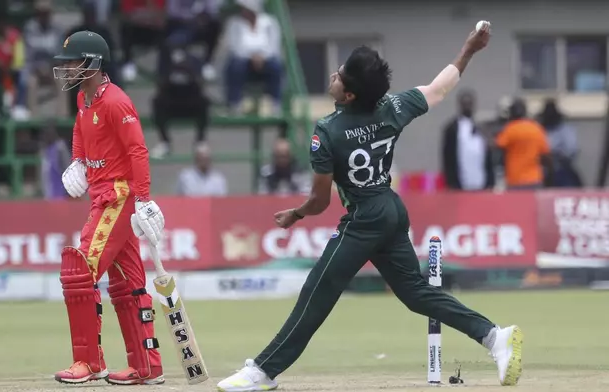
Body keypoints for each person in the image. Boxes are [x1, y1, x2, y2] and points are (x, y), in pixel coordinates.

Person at [217, 23, 524, 392]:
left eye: (339, 76)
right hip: (391, 209)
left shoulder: (327, 131)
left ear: (347, 95)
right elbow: (441, 87)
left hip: (365, 215)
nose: (333, 75)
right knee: (415, 293)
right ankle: (494, 337)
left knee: (319, 288)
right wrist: (469, 49)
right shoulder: (392, 107)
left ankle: (261, 373)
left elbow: (319, 201)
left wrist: (296, 213)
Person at [51, 30, 166, 385]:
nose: (67, 69)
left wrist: (143, 198)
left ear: (93, 63)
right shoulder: (84, 101)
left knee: (79, 272)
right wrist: (78, 161)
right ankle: (146, 366)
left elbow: (138, 151)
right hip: (101, 193)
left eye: (73, 62)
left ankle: (87, 362)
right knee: (127, 283)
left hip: (117, 196)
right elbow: (79, 132)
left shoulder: (116, 102)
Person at [441, 89, 494, 191]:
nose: (467, 106)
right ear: (460, 105)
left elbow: (488, 152)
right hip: (460, 184)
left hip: (482, 183)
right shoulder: (452, 128)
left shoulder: (481, 127)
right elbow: (447, 156)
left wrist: (490, 181)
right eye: (465, 103)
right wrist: (450, 182)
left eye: (470, 103)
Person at [496, 98, 552, 189]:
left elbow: (498, 146)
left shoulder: (509, 129)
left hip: (514, 180)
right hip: (534, 179)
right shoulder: (537, 129)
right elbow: (546, 156)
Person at [538, 98, 582, 187]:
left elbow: (571, 150)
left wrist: (555, 154)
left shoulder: (565, 130)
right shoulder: (539, 130)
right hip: (542, 171)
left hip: (561, 169)